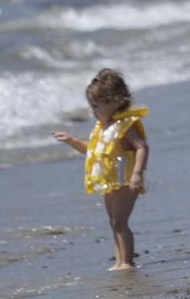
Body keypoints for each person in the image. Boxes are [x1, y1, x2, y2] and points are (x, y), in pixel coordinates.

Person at [50, 69, 149, 272]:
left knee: (120, 221)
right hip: (109, 182)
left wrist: (138, 173)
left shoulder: (125, 125)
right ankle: (119, 261)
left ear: (114, 101)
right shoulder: (103, 126)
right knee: (113, 223)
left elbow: (142, 147)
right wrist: (72, 141)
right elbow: (93, 150)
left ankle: (127, 262)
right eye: (91, 106)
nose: (93, 111)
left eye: (96, 106)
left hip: (125, 181)